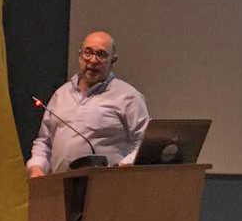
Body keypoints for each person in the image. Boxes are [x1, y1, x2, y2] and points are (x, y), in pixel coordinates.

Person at [27, 30, 150, 177]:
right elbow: (44, 142)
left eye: (101, 55)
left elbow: (145, 143)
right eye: (88, 52)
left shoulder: (129, 97)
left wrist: (123, 167)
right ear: (80, 55)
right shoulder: (61, 94)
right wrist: (36, 167)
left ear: (113, 61)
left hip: (107, 185)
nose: (92, 60)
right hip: (59, 185)